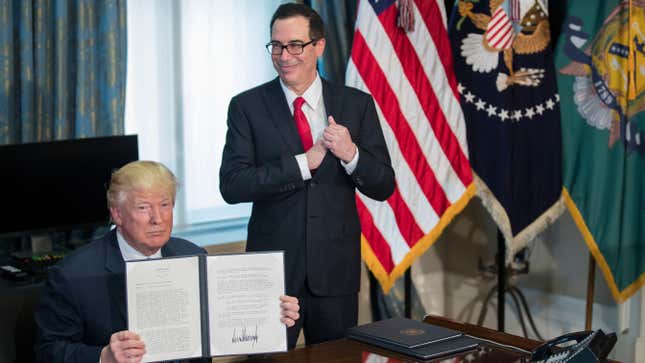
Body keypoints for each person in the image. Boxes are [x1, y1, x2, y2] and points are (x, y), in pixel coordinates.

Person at [219, 3, 395, 349]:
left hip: (335, 272)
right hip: (271, 275)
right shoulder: (246, 106)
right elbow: (232, 184)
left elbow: (384, 184)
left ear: (319, 46)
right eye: (277, 46)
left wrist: (352, 155)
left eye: (295, 45)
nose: (285, 56)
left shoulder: (355, 104)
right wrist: (302, 163)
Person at [35, 161, 300, 363]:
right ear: (117, 213)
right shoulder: (72, 275)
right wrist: (104, 357)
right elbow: (48, 351)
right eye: (143, 208)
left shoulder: (194, 255)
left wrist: (269, 316)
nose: (157, 219)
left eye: (165, 205)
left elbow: (222, 328)